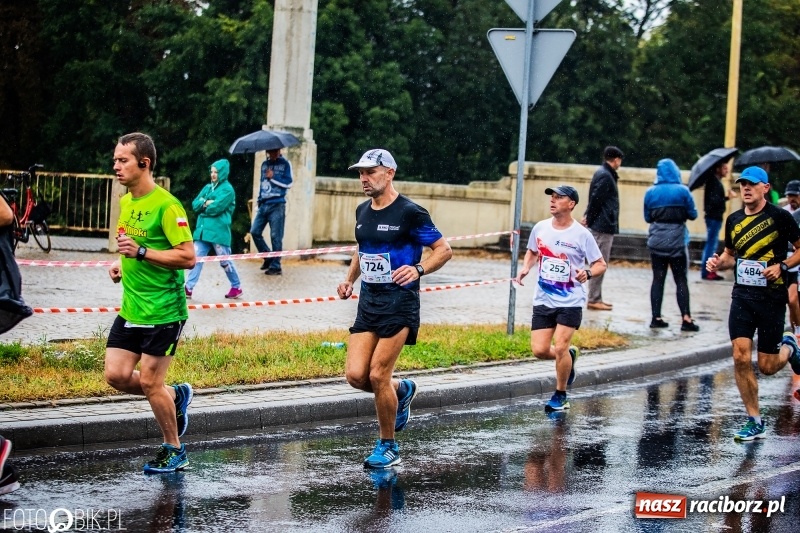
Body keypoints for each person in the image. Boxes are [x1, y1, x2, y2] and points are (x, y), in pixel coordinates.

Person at [337, 149, 452, 468]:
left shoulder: (410, 212)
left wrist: (419, 270)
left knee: (377, 374)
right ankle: (402, 390)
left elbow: (443, 250)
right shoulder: (362, 210)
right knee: (356, 375)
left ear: (389, 173)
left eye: (370, 172)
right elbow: (362, 248)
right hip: (369, 303)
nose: (363, 178)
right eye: (360, 173)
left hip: (400, 303)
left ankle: (388, 446)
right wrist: (348, 280)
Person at [105, 132, 197, 472]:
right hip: (132, 307)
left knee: (148, 382)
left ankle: (175, 450)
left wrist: (142, 253)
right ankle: (176, 397)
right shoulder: (127, 202)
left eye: (122, 160)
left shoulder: (167, 205)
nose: (115, 166)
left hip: (164, 310)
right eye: (115, 159)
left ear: (144, 164)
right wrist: (121, 264)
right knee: (115, 375)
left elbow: (188, 257)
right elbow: (131, 248)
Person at [706, 166, 800, 441]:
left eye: (751, 184)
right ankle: (754, 420)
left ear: (765, 188)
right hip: (742, 297)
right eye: (741, 184)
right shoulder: (734, 220)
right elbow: (730, 255)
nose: (745, 188)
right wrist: (718, 262)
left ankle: (790, 347)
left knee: (768, 366)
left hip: (772, 298)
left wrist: (781, 266)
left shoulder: (781, 217)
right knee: (740, 356)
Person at [515, 185, 607, 412]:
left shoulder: (582, 234)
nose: (553, 201)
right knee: (539, 350)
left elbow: (600, 264)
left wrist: (587, 273)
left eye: (559, 198)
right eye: (552, 197)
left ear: (572, 204)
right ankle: (569, 357)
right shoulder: (540, 228)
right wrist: (526, 267)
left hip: (570, 300)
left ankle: (560, 394)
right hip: (544, 298)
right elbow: (533, 251)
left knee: (561, 345)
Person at [643, 159, 700, 331]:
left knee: (658, 279)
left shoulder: (650, 192)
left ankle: (656, 317)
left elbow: (648, 218)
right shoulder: (683, 191)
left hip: (657, 241)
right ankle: (686, 318)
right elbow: (693, 214)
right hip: (677, 241)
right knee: (681, 280)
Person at [184, 159, 243, 300]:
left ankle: (236, 286)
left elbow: (216, 209)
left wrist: (203, 205)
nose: (213, 174)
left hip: (218, 232)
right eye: (212, 171)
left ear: (222, 173)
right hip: (202, 231)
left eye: (216, 172)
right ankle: (188, 287)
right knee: (195, 259)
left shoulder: (228, 190)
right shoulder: (207, 188)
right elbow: (195, 205)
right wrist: (206, 203)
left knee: (225, 261)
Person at [582, 146, 623, 311]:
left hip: (602, 223)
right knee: (600, 263)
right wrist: (589, 218)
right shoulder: (606, 176)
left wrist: (588, 216)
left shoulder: (603, 174)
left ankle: (596, 297)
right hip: (603, 225)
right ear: (616, 159)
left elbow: (594, 199)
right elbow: (596, 199)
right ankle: (594, 298)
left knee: (599, 262)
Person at [250, 148, 293, 276]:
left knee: (276, 236)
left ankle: (276, 265)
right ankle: (268, 256)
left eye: (274, 151)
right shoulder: (264, 165)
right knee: (255, 231)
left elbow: (289, 183)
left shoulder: (285, 164)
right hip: (264, 204)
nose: (272, 153)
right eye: (270, 151)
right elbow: (262, 184)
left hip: (277, 204)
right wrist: (259, 199)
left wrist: (273, 177)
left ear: (279, 151)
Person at [700, 159, 735, 281]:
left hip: (713, 216)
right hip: (713, 217)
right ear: (718, 169)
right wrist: (727, 197)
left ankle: (708, 271)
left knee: (711, 243)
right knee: (711, 244)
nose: (727, 171)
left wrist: (726, 197)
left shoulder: (714, 181)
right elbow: (714, 202)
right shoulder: (714, 182)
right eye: (725, 168)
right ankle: (708, 271)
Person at [782, 181, 800, 335]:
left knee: (793, 299)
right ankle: (796, 335)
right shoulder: (782, 213)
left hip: (797, 265)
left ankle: (798, 333)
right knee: (788, 302)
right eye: (789, 196)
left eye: (795, 196)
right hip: (784, 263)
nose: (792, 199)